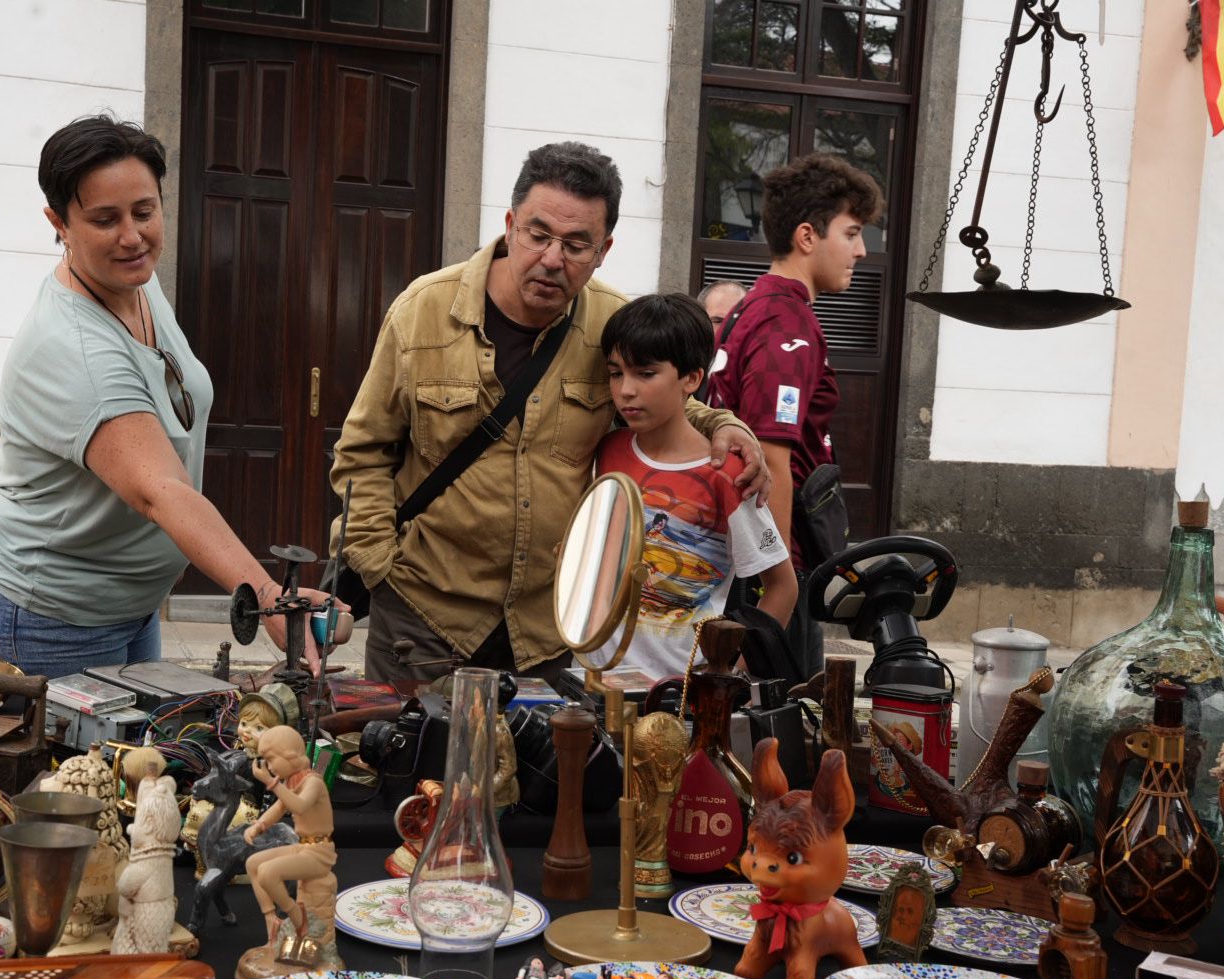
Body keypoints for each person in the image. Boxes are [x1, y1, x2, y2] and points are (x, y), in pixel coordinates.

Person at [331, 141, 769, 686]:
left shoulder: (612, 323)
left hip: (548, 627)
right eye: (537, 235)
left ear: (604, 250)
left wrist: (724, 424)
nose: (553, 258)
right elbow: (364, 452)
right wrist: (379, 566)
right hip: (422, 617)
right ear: (510, 225)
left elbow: (669, 399)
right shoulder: (423, 312)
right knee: (408, 744)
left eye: (577, 244)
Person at [0, 115, 333, 680]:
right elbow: (161, 492)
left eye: (144, 212)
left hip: (127, 606)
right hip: (41, 615)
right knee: (72, 747)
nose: (132, 237)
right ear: (59, 223)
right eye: (105, 220)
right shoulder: (74, 346)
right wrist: (269, 595)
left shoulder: (134, 281)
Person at [704, 152, 884, 681]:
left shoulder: (755, 306)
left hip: (749, 555)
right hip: (771, 564)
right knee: (776, 715)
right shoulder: (786, 323)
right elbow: (771, 459)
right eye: (851, 233)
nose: (861, 250)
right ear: (807, 236)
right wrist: (779, 585)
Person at [580, 293, 795, 678]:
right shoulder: (606, 451)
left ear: (692, 378)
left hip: (679, 692)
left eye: (645, 374)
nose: (626, 389)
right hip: (591, 678)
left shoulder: (729, 473)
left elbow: (782, 587)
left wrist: (729, 679)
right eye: (616, 373)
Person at [242, 725, 335, 953]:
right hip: (303, 847)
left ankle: (296, 917)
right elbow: (279, 808)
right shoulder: (292, 781)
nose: (270, 767)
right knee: (253, 864)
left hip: (320, 852)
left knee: (268, 873)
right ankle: (271, 918)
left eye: (271, 760)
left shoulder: (313, 782)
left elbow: (299, 806)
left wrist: (271, 783)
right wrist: (260, 825)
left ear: (289, 755)